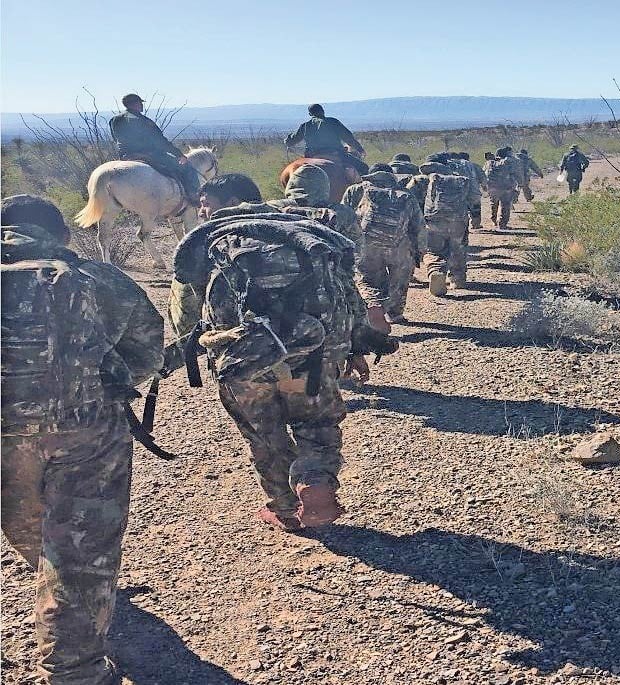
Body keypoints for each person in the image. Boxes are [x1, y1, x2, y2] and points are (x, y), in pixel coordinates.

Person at [1, 194, 164, 685]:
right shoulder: (93, 277)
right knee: (79, 548)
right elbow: (147, 347)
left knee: (25, 522)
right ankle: (74, 671)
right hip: (84, 430)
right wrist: (106, 382)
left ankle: (55, 574)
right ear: (62, 234)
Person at [168, 192, 395, 533]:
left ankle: (286, 508)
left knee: (264, 435)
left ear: (216, 205)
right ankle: (314, 480)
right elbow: (349, 300)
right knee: (316, 426)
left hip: (242, 360)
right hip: (313, 358)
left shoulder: (209, 245)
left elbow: (185, 318)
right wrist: (354, 350)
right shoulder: (305, 236)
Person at [342, 170, 423, 324]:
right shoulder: (405, 194)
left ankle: (374, 305)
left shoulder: (355, 190)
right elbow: (418, 225)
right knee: (400, 280)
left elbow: (344, 215)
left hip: (367, 244)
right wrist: (420, 250)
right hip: (399, 245)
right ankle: (395, 314)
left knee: (368, 279)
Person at [109, 93, 202, 205]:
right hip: (149, 155)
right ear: (136, 104)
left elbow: (116, 138)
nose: (142, 106)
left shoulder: (114, 120)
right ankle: (194, 197)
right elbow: (160, 141)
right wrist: (178, 154)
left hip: (125, 156)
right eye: (140, 103)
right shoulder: (143, 121)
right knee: (187, 167)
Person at [417, 160, 470, 295]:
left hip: (433, 221)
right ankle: (457, 280)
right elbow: (474, 198)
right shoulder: (459, 180)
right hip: (458, 220)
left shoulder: (421, 180)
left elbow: (411, 199)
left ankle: (436, 271)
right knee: (458, 247)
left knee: (433, 250)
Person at [284, 104, 368, 176]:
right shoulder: (333, 122)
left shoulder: (305, 126)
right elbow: (349, 138)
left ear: (310, 114)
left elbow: (290, 141)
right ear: (323, 111)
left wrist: (287, 141)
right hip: (336, 154)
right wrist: (360, 149)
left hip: (312, 156)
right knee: (364, 168)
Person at [484, 148, 518, 229]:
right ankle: (502, 224)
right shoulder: (508, 162)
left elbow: (484, 173)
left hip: (492, 187)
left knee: (494, 204)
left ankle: (494, 220)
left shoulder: (489, 162)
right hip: (505, 187)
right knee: (505, 205)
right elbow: (514, 173)